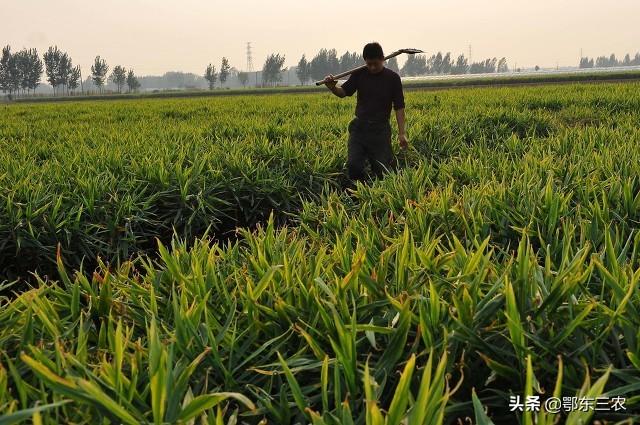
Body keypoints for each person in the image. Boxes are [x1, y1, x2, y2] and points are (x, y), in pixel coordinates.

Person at [323, 42, 408, 184]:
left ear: (383, 59)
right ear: (365, 61)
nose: (372, 67)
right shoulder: (359, 73)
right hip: (359, 128)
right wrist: (332, 87)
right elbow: (343, 92)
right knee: (354, 165)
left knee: (382, 170)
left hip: (380, 130)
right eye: (369, 64)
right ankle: (359, 194)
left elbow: (399, 107)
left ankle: (380, 196)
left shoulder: (392, 78)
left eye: (375, 64)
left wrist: (401, 133)